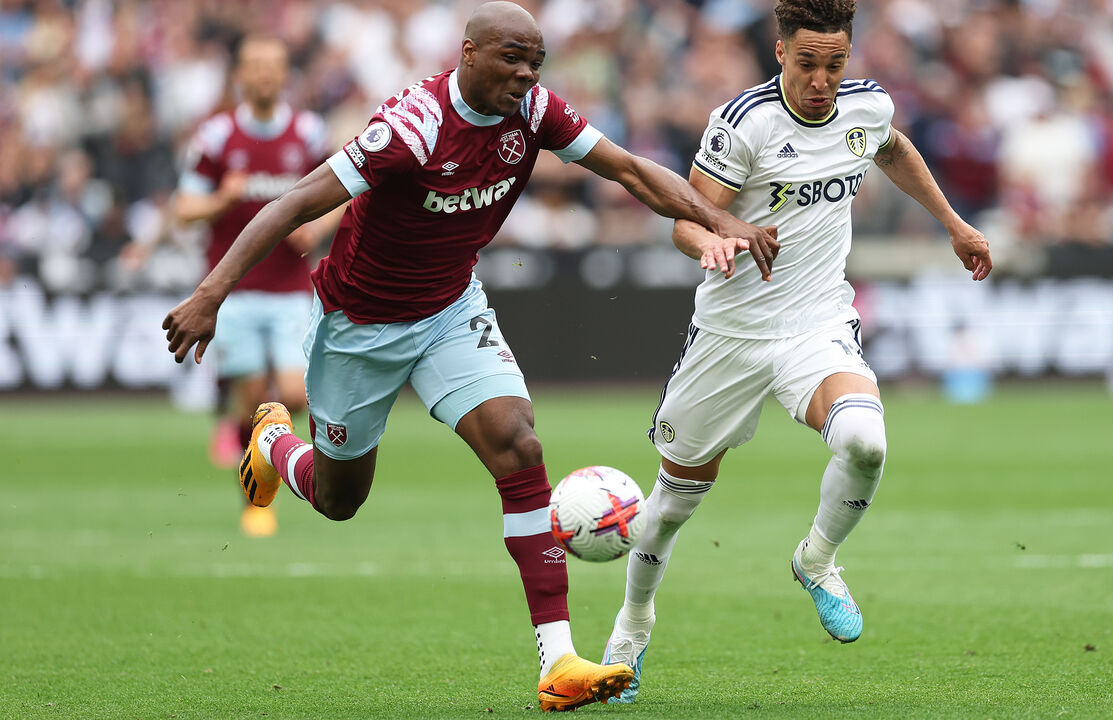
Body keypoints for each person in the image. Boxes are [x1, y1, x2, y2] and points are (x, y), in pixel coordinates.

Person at [162, 2, 778, 712]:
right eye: (512, 58)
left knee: (518, 444)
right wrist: (211, 293)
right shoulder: (413, 125)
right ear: (469, 53)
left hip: (452, 309)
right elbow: (299, 201)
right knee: (340, 501)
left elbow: (631, 172)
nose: (525, 74)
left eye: (535, 62)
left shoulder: (536, 113)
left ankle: (559, 662)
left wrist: (726, 221)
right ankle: (273, 443)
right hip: (359, 325)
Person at [601, 0, 993, 703]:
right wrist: (714, 239)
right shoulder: (743, 123)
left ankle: (817, 559)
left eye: (835, 65)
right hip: (731, 336)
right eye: (808, 63)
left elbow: (893, 147)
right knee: (669, 508)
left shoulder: (866, 107)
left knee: (866, 442)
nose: (821, 79)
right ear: (780, 53)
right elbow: (685, 219)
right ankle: (631, 628)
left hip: (815, 323)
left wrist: (953, 224)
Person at [173, 35, 332, 538]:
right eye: (255, 66)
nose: (265, 74)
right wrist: (223, 198)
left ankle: (257, 445)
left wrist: (316, 228)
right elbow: (184, 208)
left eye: (274, 66)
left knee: (291, 394)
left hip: (289, 287)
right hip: (235, 289)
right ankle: (255, 503)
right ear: (240, 76)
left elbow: (343, 191)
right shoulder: (218, 136)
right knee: (249, 402)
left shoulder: (307, 131)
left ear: (286, 75)